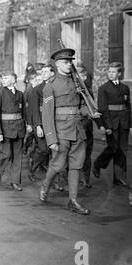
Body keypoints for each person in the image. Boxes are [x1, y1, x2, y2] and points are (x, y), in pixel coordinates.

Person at [40, 48, 90, 215]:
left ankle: (73, 200)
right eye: (65, 62)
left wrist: (89, 112)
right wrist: (51, 140)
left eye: (70, 62)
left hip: (77, 128)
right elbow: (47, 115)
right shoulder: (51, 85)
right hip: (60, 131)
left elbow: (82, 104)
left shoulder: (77, 82)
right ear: (57, 64)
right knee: (58, 165)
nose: (69, 64)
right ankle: (45, 185)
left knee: (76, 165)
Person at [93, 62, 131, 189]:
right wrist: (106, 126)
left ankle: (118, 178)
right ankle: (98, 164)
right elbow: (103, 108)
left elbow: (128, 107)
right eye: (109, 72)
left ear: (119, 74)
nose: (110, 74)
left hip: (124, 122)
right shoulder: (103, 88)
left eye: (113, 72)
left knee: (122, 150)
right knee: (113, 148)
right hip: (111, 123)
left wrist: (130, 124)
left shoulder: (125, 88)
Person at [0, 72, 26, 191]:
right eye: (3, 78)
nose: (3, 80)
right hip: (5, 129)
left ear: (14, 80)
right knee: (6, 154)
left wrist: (26, 126)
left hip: (19, 129)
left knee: (17, 156)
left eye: (7, 78)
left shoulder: (20, 94)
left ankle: (15, 181)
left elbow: (23, 113)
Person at [76, 64, 95, 189]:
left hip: (88, 126)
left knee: (87, 153)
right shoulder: (73, 91)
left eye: (83, 75)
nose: (83, 78)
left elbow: (93, 109)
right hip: (77, 126)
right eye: (80, 76)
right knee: (76, 154)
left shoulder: (89, 92)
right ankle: (72, 178)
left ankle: (85, 179)